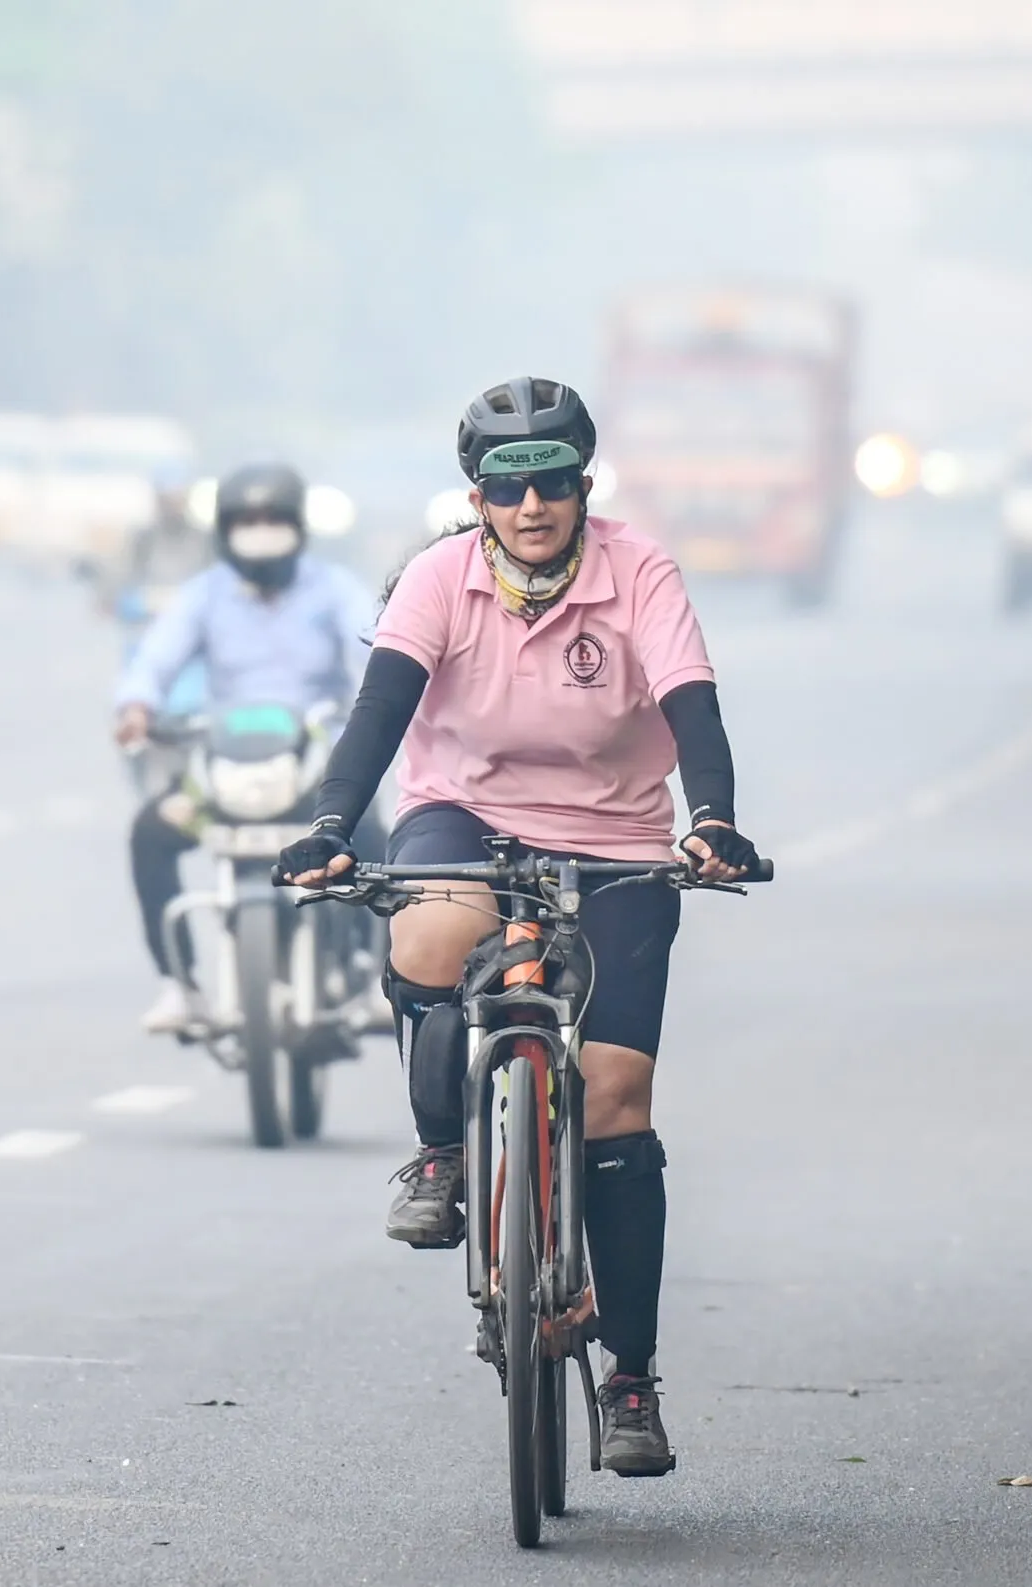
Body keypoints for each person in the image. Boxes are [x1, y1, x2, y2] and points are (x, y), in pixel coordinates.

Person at [276, 376, 763, 1478]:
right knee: (431, 941)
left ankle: (629, 1379)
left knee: (619, 1103)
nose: (531, 505)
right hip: (464, 813)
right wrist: (326, 825)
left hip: (618, 843)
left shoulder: (639, 570)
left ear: (583, 486)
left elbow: (692, 705)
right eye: (508, 486)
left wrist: (716, 821)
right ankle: (445, 1154)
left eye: (551, 482)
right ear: (476, 495)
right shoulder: (440, 578)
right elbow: (378, 713)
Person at [114, 462, 377, 1032]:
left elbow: (377, 651)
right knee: (149, 835)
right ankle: (178, 984)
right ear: (225, 529)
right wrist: (136, 706)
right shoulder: (203, 596)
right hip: (225, 773)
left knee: (377, 834)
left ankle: (375, 968)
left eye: (273, 520)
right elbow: (155, 659)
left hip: (318, 776)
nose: (261, 532)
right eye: (247, 521)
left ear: (297, 527)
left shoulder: (332, 590)